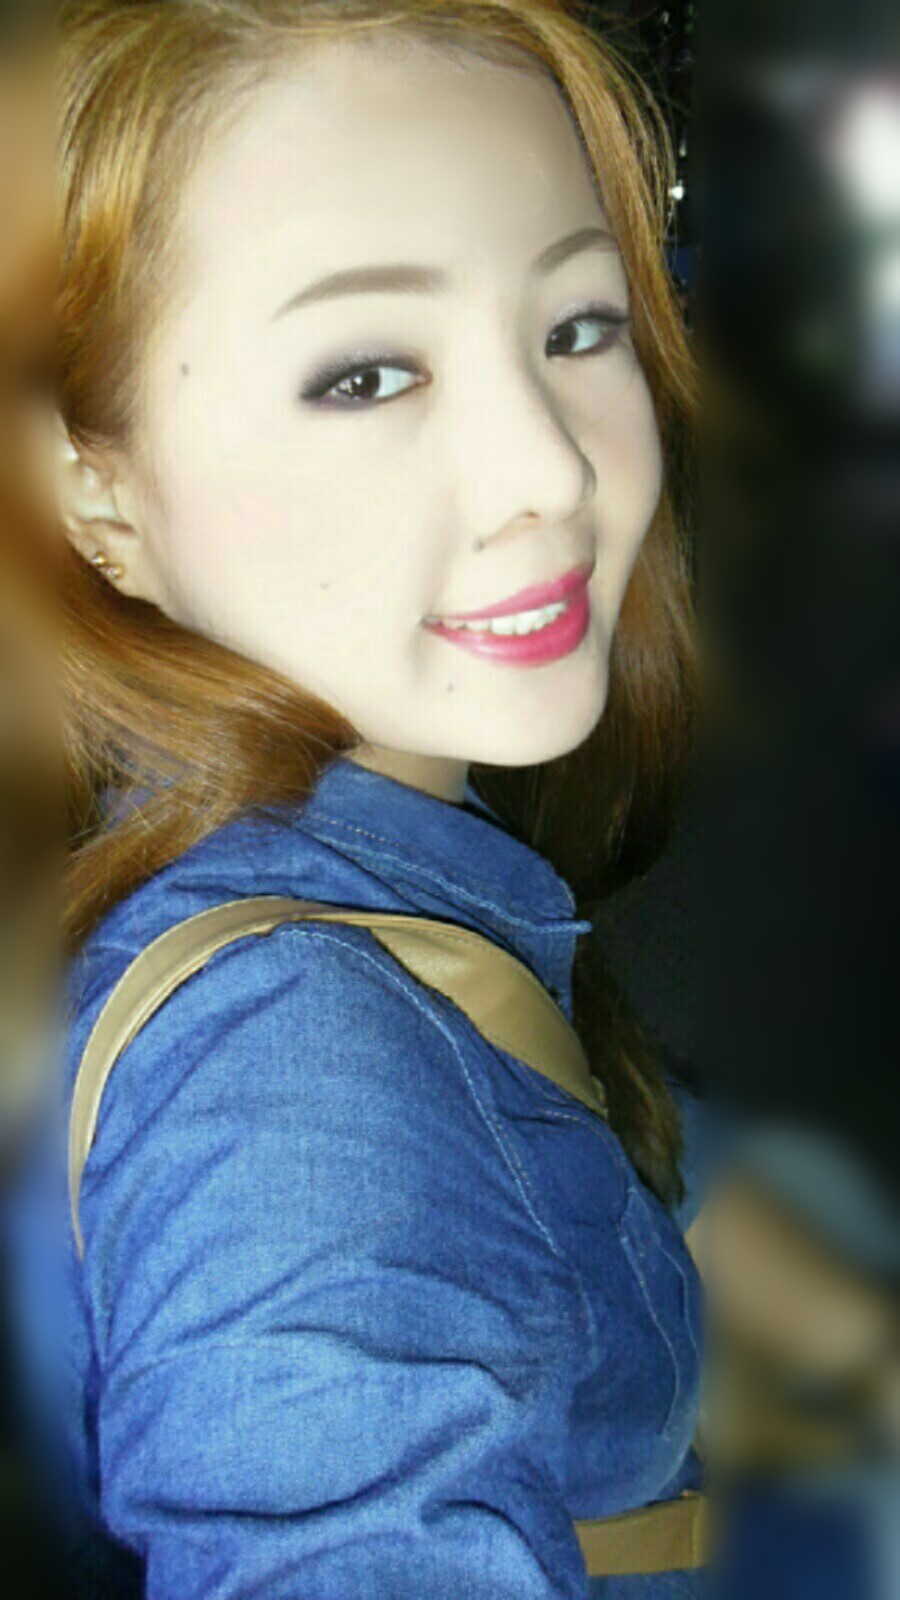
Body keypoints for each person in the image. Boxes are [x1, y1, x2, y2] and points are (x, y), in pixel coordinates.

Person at [5, 1, 706, 1596]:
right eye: (369, 373)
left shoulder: (339, 870)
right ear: (91, 492)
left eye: (577, 325)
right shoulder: (289, 1057)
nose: (549, 470)